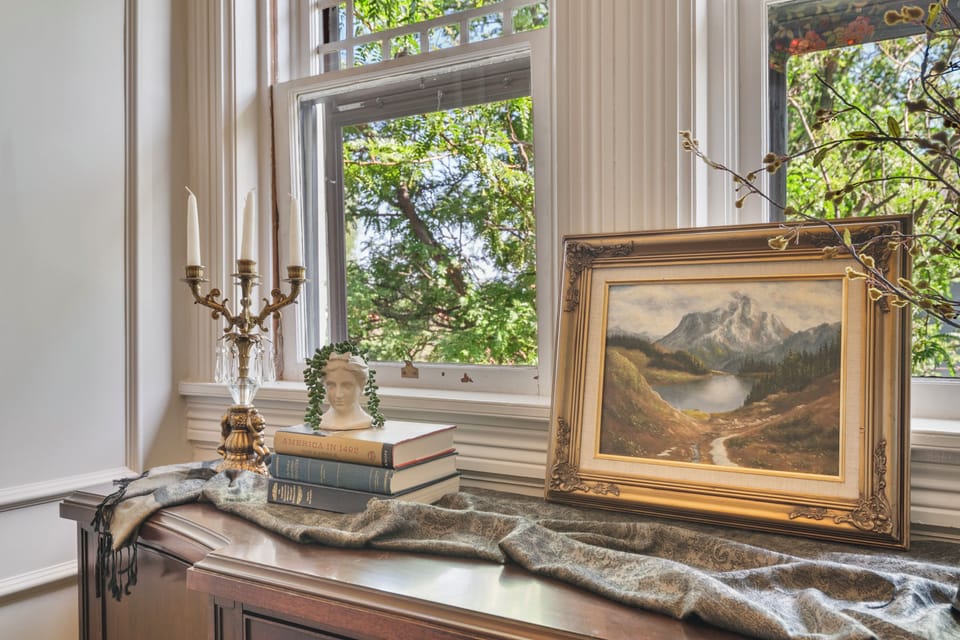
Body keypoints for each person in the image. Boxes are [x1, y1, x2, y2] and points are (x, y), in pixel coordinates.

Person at [319, 351, 373, 430]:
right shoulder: (321, 421)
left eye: (346, 386)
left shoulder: (364, 421)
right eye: (331, 386)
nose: (338, 395)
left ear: (362, 386)